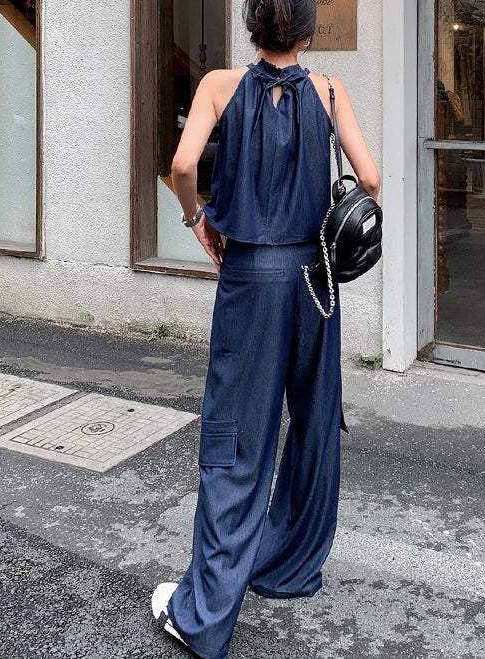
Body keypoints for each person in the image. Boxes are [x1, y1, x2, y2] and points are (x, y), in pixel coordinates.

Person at [151, 1, 380, 657]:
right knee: (313, 420)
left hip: (250, 278)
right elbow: (368, 179)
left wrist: (198, 219)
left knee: (235, 435)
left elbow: (184, 166)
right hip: (314, 281)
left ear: (251, 28)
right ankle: (287, 566)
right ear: (306, 32)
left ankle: (203, 616)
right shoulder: (329, 91)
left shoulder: (217, 86)